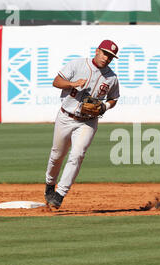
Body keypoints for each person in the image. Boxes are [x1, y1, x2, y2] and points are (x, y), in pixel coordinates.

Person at [44, 40, 120, 209]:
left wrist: (105, 106)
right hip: (65, 116)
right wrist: (72, 84)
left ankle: (60, 194)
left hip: (88, 122)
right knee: (57, 155)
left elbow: (114, 98)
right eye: (106, 54)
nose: (107, 59)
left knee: (77, 154)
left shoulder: (111, 78)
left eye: (111, 57)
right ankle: (50, 185)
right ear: (97, 51)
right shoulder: (77, 64)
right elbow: (56, 82)